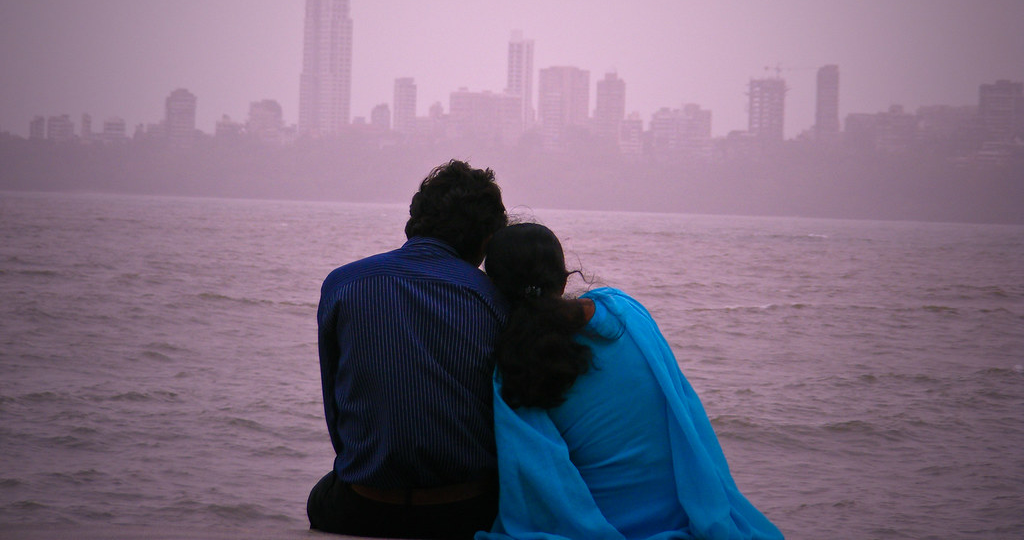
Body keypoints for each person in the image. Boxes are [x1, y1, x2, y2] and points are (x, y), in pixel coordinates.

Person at [477, 223, 784, 540]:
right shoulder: (625, 312)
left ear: (496, 291)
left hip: (606, 526)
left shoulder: (516, 363)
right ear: (564, 275)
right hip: (686, 515)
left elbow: (537, 485)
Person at [307, 160, 509, 540]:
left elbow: (336, 412)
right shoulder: (494, 298)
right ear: (486, 240)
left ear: (415, 218)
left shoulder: (342, 284)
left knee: (323, 493)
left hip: (365, 507)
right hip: (465, 511)